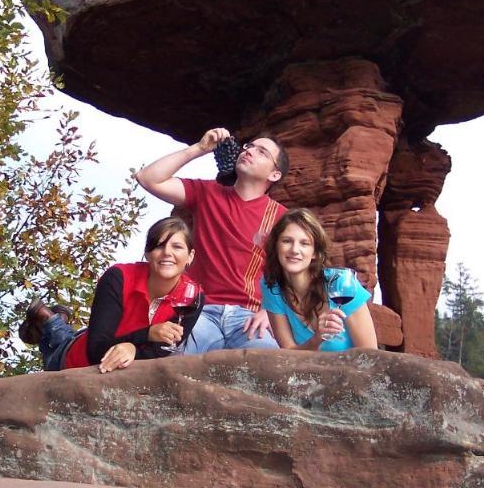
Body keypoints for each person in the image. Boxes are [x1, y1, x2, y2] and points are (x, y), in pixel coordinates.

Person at [134, 127, 288, 352]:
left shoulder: (281, 217)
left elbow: (290, 272)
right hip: (200, 310)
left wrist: (271, 310)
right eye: (249, 146)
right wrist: (200, 148)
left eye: (262, 152)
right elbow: (148, 178)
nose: (250, 151)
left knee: (269, 362)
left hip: (249, 315)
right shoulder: (208, 193)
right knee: (177, 360)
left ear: (274, 175)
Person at [19, 216, 205, 373]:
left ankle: (55, 320)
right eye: (159, 246)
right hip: (73, 363)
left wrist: (132, 348)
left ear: (190, 255)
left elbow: (162, 350)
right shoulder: (118, 278)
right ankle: (50, 321)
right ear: (148, 254)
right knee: (56, 344)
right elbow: (95, 352)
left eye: (177, 247)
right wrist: (145, 335)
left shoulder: (193, 297)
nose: (167, 253)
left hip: (120, 365)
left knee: (69, 335)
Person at [260, 208, 378, 351]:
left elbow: (370, 355)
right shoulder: (272, 286)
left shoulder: (340, 283)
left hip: (351, 371)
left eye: (305, 243)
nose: (294, 250)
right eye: (287, 241)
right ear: (276, 246)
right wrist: (317, 339)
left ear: (315, 252)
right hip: (306, 372)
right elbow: (289, 354)